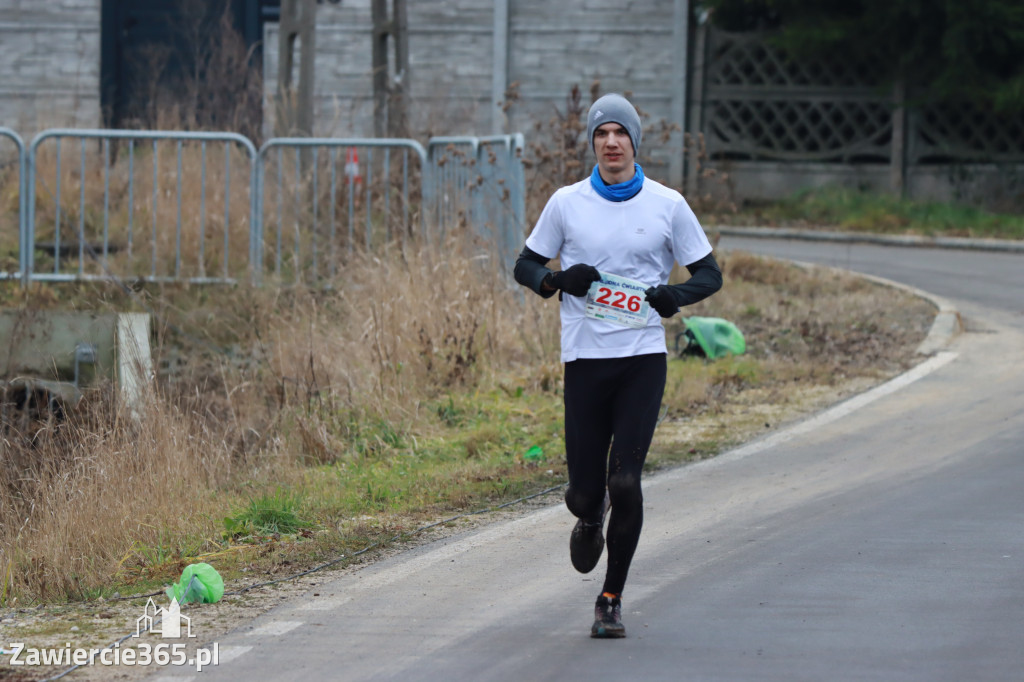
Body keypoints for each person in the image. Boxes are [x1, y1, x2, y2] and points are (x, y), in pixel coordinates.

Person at [513, 93, 723, 638]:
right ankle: (588, 512)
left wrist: (673, 295)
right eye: (601, 134)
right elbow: (526, 264)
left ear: (634, 142)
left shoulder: (667, 204)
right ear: (592, 144)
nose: (611, 142)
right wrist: (558, 281)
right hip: (584, 358)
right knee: (586, 491)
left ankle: (611, 598)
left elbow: (709, 274)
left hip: (641, 360)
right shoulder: (566, 202)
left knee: (626, 481)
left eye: (620, 133)